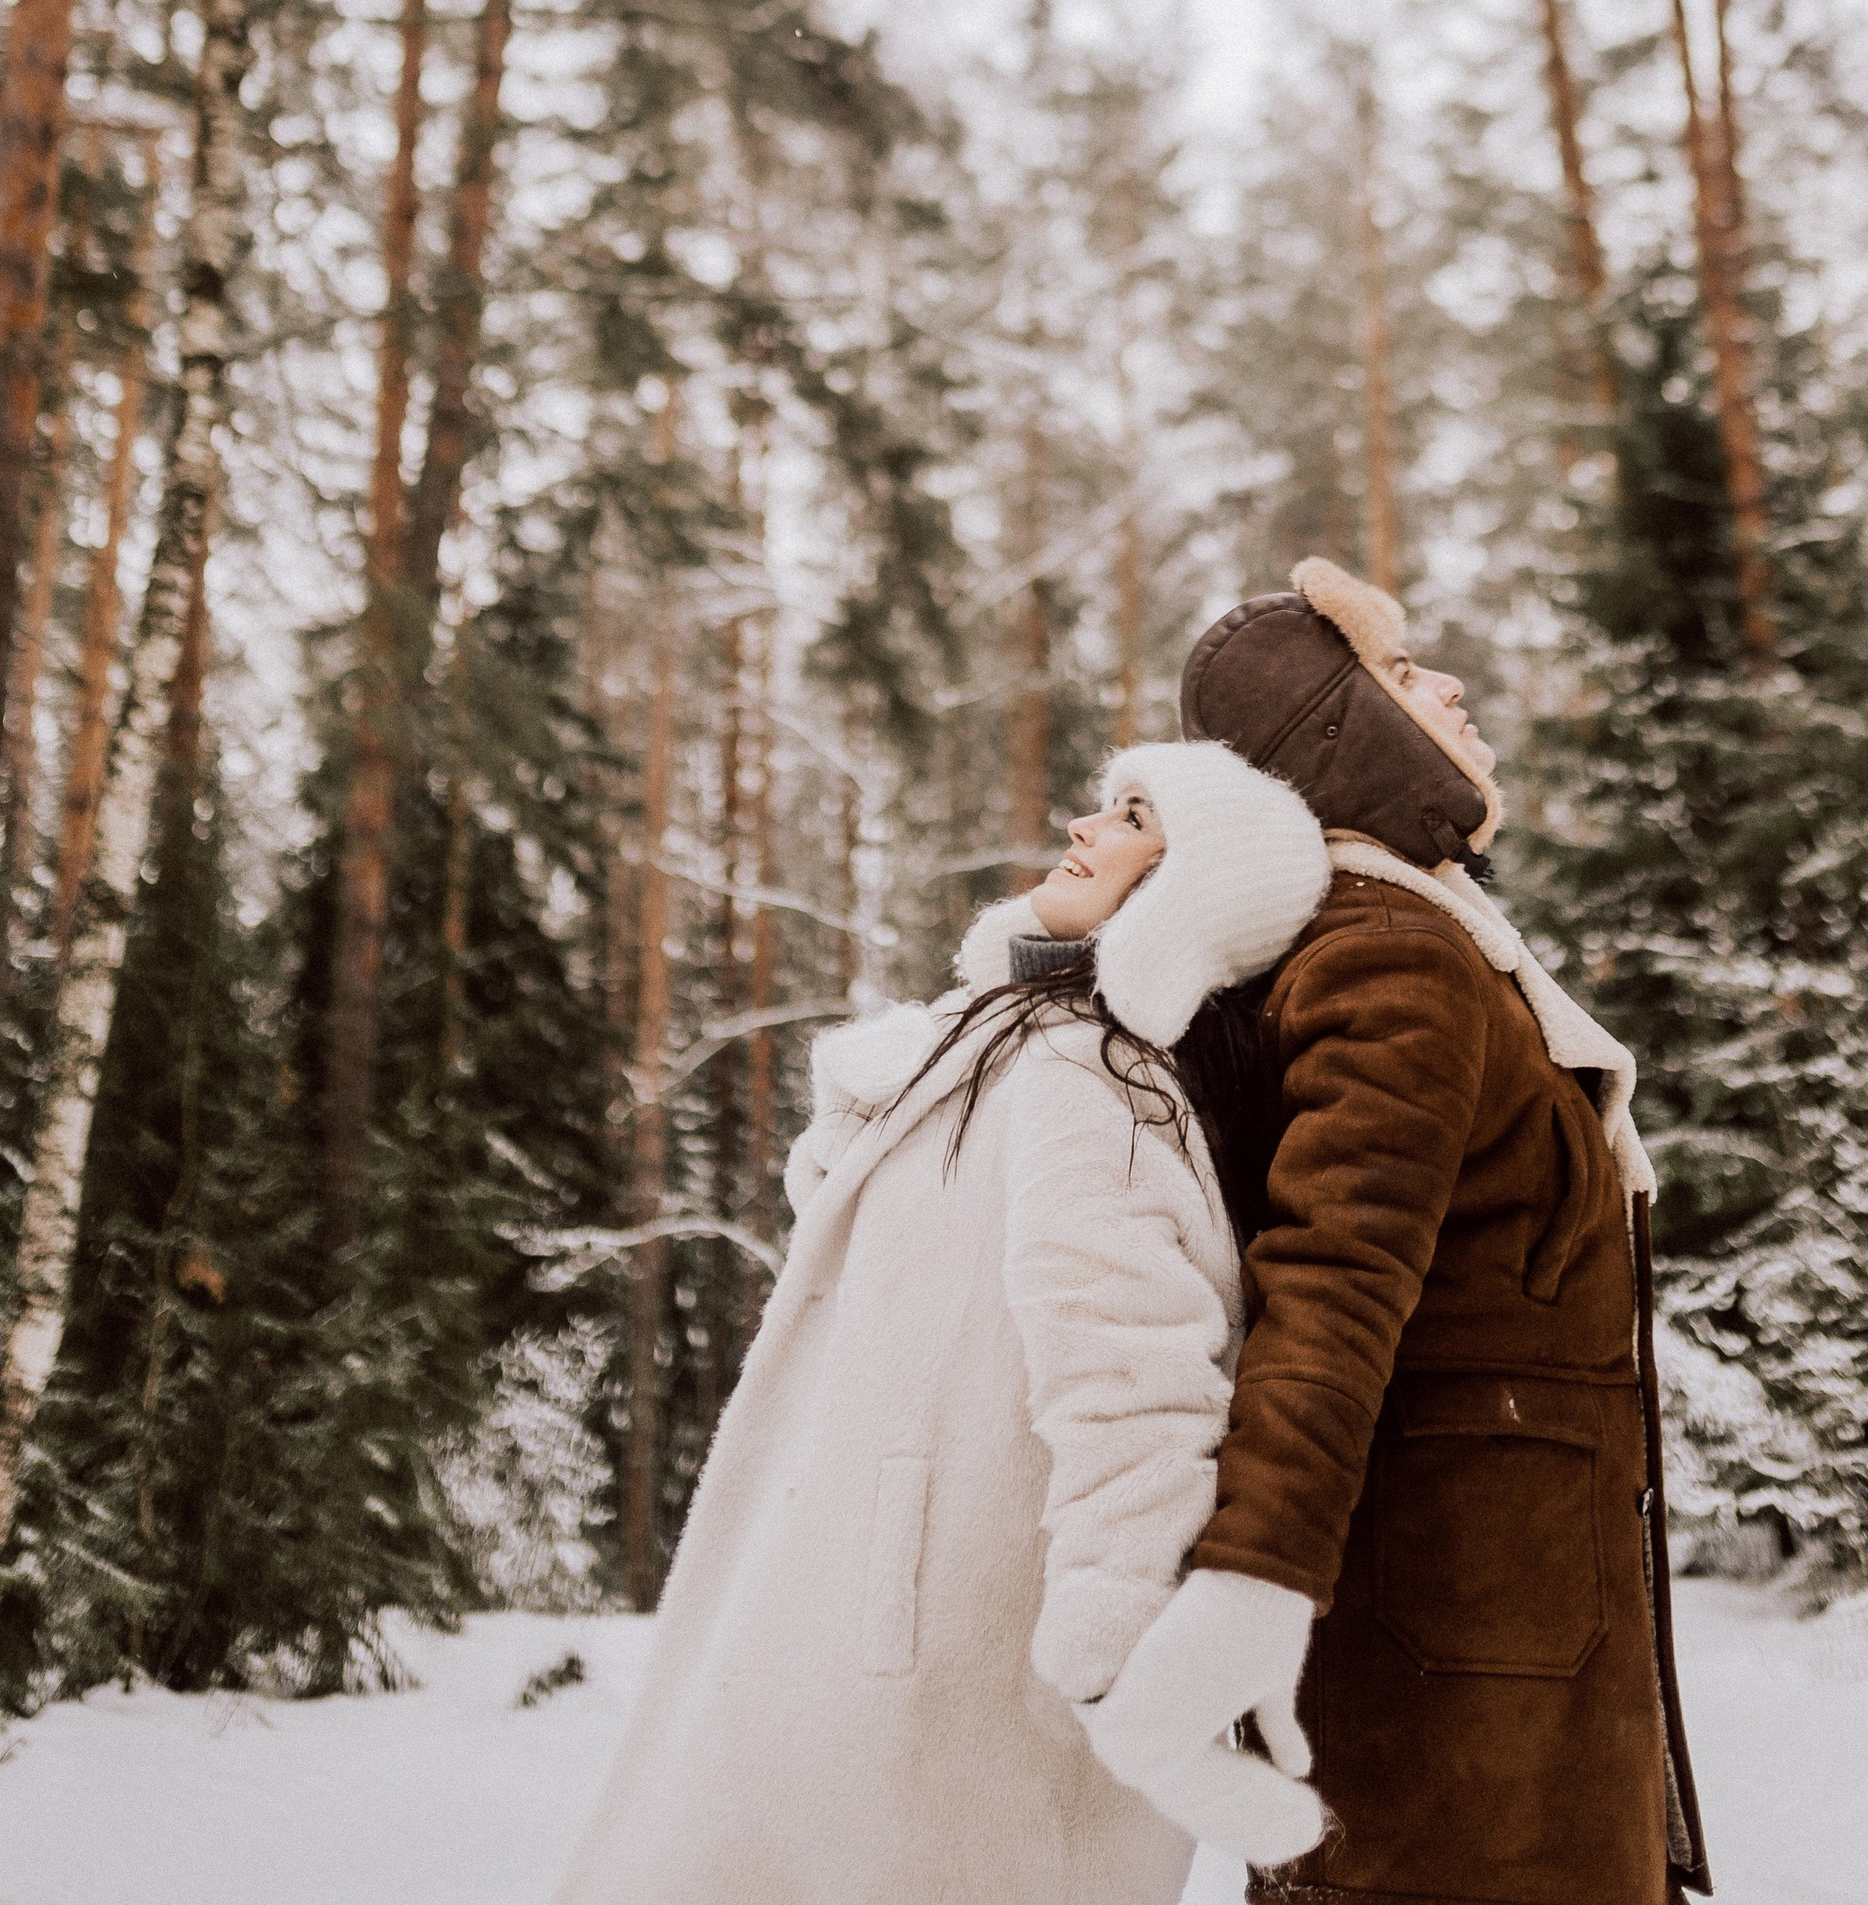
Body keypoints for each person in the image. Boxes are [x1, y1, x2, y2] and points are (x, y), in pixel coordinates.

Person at [550, 738, 1333, 1905]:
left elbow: (1130, 1375)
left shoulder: (1093, 1079)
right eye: (1100, 800)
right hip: (855, 1623)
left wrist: (1119, 1637)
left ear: (1191, 891)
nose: (1081, 828)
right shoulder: (1002, 1047)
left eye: (1130, 818)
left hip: (941, 1665)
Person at [1079, 558, 1715, 1905]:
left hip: (1501, 1655)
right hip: (1458, 1694)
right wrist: (1255, 1575)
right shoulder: (1389, 950)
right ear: (1344, 732)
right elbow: (1330, 1285)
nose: (1453, 688)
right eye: (1405, 677)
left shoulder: (1426, 938)